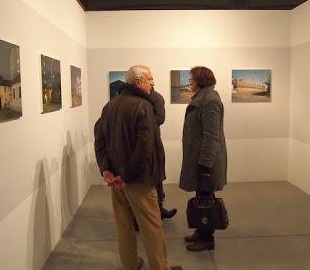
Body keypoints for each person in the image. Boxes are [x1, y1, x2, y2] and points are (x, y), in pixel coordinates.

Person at [94, 65, 182, 270]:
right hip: (138, 180)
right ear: (138, 82)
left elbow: (99, 140)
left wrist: (106, 169)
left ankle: (131, 265)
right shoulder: (144, 107)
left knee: (124, 227)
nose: (152, 83)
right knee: (152, 227)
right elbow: (145, 148)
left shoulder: (110, 106)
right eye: (149, 79)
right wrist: (126, 175)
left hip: (116, 181)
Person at [179, 66, 227, 252]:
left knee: (206, 199)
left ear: (199, 80)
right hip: (200, 159)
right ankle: (201, 231)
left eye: (191, 79)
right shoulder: (203, 98)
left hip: (207, 161)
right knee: (202, 196)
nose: (189, 82)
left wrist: (205, 165)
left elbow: (211, 135)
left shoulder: (210, 100)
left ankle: (207, 238)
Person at [148, 88, 178, 220]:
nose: (152, 82)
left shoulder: (156, 97)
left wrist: (139, 123)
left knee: (156, 176)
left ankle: (158, 208)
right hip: (144, 142)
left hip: (151, 142)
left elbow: (160, 118)